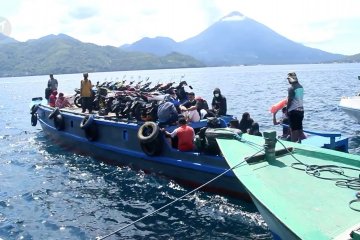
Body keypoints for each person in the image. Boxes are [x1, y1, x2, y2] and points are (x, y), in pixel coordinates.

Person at [286, 72, 304, 142]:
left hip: (293, 111)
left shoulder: (291, 88)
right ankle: (300, 143)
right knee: (299, 129)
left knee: (293, 130)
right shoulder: (301, 87)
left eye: (289, 79)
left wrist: (287, 110)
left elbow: (290, 100)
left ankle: (293, 146)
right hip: (301, 110)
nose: (288, 80)